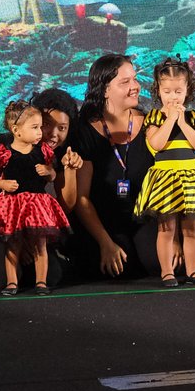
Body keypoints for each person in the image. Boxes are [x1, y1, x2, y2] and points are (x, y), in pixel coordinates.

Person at [0, 90, 79, 289]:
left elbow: (67, 206)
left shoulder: (55, 153)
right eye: (46, 125)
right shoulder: (2, 145)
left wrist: (69, 170)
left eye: (62, 128)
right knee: (1, 277)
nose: (53, 134)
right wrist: (8, 233)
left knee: (51, 276)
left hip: (31, 226)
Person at [135, 58, 195, 286]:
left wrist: (182, 123)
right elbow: (156, 144)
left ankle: (193, 271)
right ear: (158, 91)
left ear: (187, 91)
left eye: (178, 92)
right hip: (166, 178)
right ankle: (167, 272)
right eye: (167, 92)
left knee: (192, 228)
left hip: (190, 177)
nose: (173, 97)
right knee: (167, 228)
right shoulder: (155, 117)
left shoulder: (193, 118)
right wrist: (170, 120)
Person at [69, 54, 150, 279]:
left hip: (144, 220)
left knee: (161, 262)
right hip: (103, 224)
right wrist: (105, 243)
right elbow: (81, 199)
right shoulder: (85, 132)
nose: (135, 86)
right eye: (125, 82)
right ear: (104, 90)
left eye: (135, 79)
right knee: (121, 266)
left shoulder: (151, 124)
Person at [0, 106, 71, 295]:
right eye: (35, 128)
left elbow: (52, 177)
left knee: (40, 244)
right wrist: (3, 184)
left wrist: (48, 171)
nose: (40, 132)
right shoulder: (4, 153)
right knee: (12, 244)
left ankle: (41, 282)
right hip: (13, 205)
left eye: (40, 127)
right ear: (16, 130)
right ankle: (11, 282)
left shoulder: (43, 151)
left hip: (36, 206)